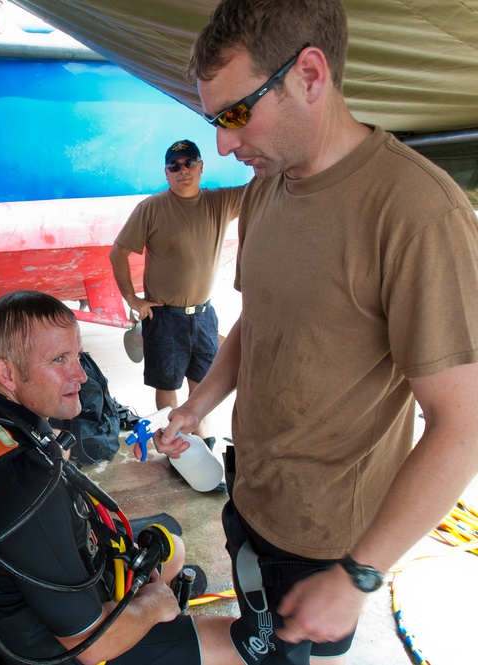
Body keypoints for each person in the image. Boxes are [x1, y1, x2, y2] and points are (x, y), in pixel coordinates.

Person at [158, 1, 478, 664]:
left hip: (327, 537)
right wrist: (197, 404)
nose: (221, 144)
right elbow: (259, 318)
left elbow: (462, 425)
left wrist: (361, 571)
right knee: (253, 634)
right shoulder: (265, 187)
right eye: (214, 119)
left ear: (310, 74)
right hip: (250, 492)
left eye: (236, 114)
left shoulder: (417, 212)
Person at [0, 290, 240, 665]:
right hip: (59, 650)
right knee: (234, 643)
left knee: (172, 548)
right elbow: (93, 646)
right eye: (59, 360)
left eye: (76, 355)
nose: (81, 374)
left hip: (41, 589)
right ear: (7, 373)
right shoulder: (26, 491)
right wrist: (154, 607)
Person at [110, 139, 243, 443]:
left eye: (189, 163)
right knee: (167, 385)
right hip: (165, 317)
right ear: (167, 173)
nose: (183, 170)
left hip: (204, 315)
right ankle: (175, 447)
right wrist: (132, 299)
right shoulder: (152, 207)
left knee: (203, 386)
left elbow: (264, 185)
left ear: (200, 167)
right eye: (175, 166)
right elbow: (118, 253)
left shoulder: (220, 202)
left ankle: (202, 443)